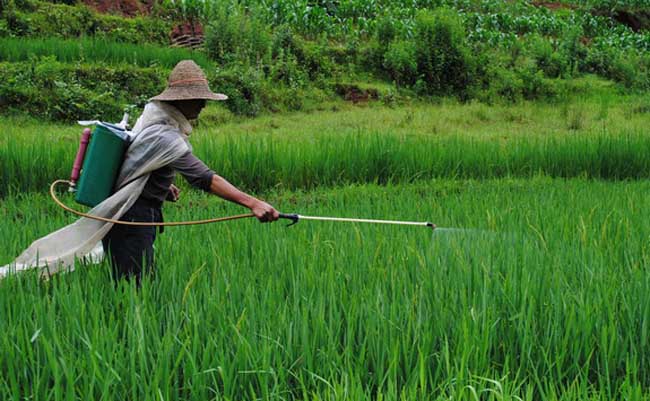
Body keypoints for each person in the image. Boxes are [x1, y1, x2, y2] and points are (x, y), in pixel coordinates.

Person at [102, 60, 279, 283]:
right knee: (134, 287)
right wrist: (253, 203)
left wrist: (161, 186)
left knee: (136, 282)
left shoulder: (155, 124)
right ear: (181, 100)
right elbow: (203, 177)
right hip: (131, 218)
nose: (203, 105)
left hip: (133, 215)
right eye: (198, 99)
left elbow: (137, 165)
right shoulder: (163, 135)